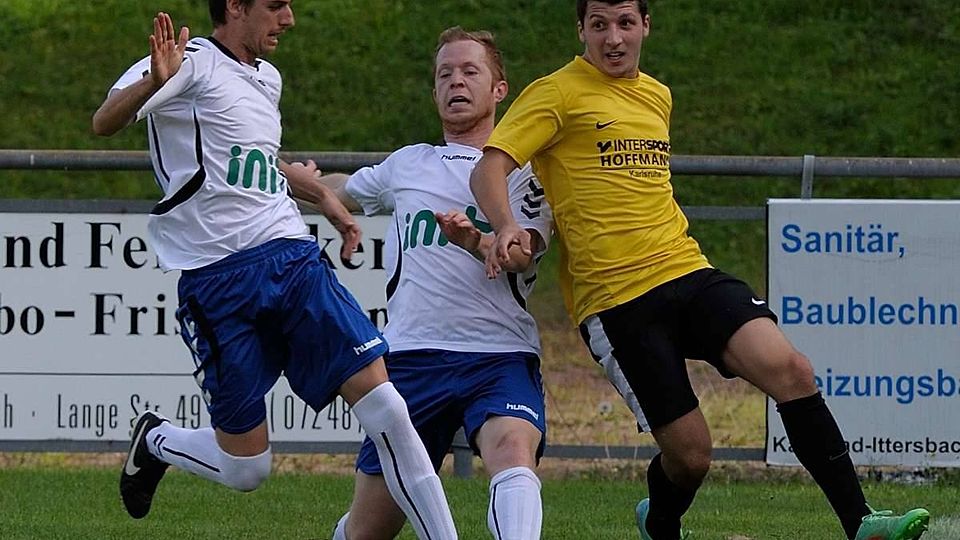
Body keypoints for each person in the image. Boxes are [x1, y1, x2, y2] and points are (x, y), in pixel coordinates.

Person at [468, 1, 931, 539]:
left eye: (625, 23)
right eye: (599, 25)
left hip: (686, 268)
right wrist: (505, 224)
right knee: (691, 457)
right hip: (617, 299)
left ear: (645, 26)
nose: (613, 38)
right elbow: (490, 168)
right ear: (581, 30)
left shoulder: (657, 95)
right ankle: (660, 520)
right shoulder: (556, 92)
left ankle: (862, 523)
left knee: (793, 370)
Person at [91, 3, 457, 538]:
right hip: (216, 281)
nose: (288, 19)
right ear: (235, 6)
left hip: (290, 260)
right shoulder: (187, 61)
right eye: (275, 5)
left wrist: (322, 198)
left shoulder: (268, 78)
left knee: (387, 407)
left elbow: (257, 159)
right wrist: (154, 81)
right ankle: (157, 440)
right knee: (246, 468)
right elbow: (104, 121)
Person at [289, 27, 552, 540]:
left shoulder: (525, 173)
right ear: (434, 92)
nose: (456, 82)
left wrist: (476, 241)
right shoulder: (410, 162)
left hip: (498, 352)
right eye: (444, 75)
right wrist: (307, 184)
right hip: (411, 357)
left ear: (499, 89)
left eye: (470, 71)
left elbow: (522, 255)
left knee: (512, 450)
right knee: (369, 529)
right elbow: (346, 190)